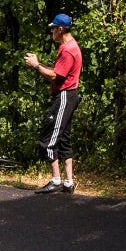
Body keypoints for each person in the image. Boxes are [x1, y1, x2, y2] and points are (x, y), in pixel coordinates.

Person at [24, 13, 83, 194]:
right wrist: (39, 63)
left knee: (48, 138)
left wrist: (35, 65)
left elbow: (55, 77)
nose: (51, 31)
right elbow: (58, 71)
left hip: (65, 96)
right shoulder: (69, 46)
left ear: (61, 29)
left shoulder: (67, 49)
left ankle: (57, 180)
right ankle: (68, 183)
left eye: (53, 28)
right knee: (64, 138)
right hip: (69, 95)